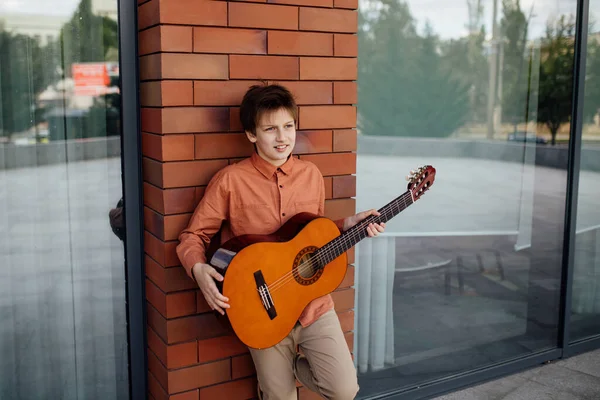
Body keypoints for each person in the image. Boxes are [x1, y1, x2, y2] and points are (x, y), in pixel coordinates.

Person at [176, 83, 385, 400]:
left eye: (288, 126)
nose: (282, 137)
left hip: (311, 305)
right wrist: (198, 270)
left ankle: (287, 368)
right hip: (263, 309)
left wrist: (347, 225)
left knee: (344, 390)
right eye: (270, 129)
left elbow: (310, 234)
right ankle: (274, 377)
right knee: (280, 397)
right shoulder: (231, 180)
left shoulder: (311, 174)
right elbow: (193, 236)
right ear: (251, 134)